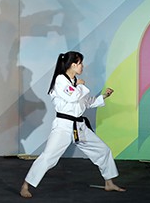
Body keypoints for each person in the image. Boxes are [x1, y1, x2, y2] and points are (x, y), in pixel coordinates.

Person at [20, 51, 124, 198]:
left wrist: (104, 96)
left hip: (79, 126)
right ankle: (25, 185)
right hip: (63, 126)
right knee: (48, 157)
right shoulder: (60, 80)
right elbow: (74, 96)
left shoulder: (75, 82)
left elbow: (86, 102)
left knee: (103, 150)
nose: (82, 66)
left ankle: (109, 182)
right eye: (80, 63)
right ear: (72, 64)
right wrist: (78, 85)